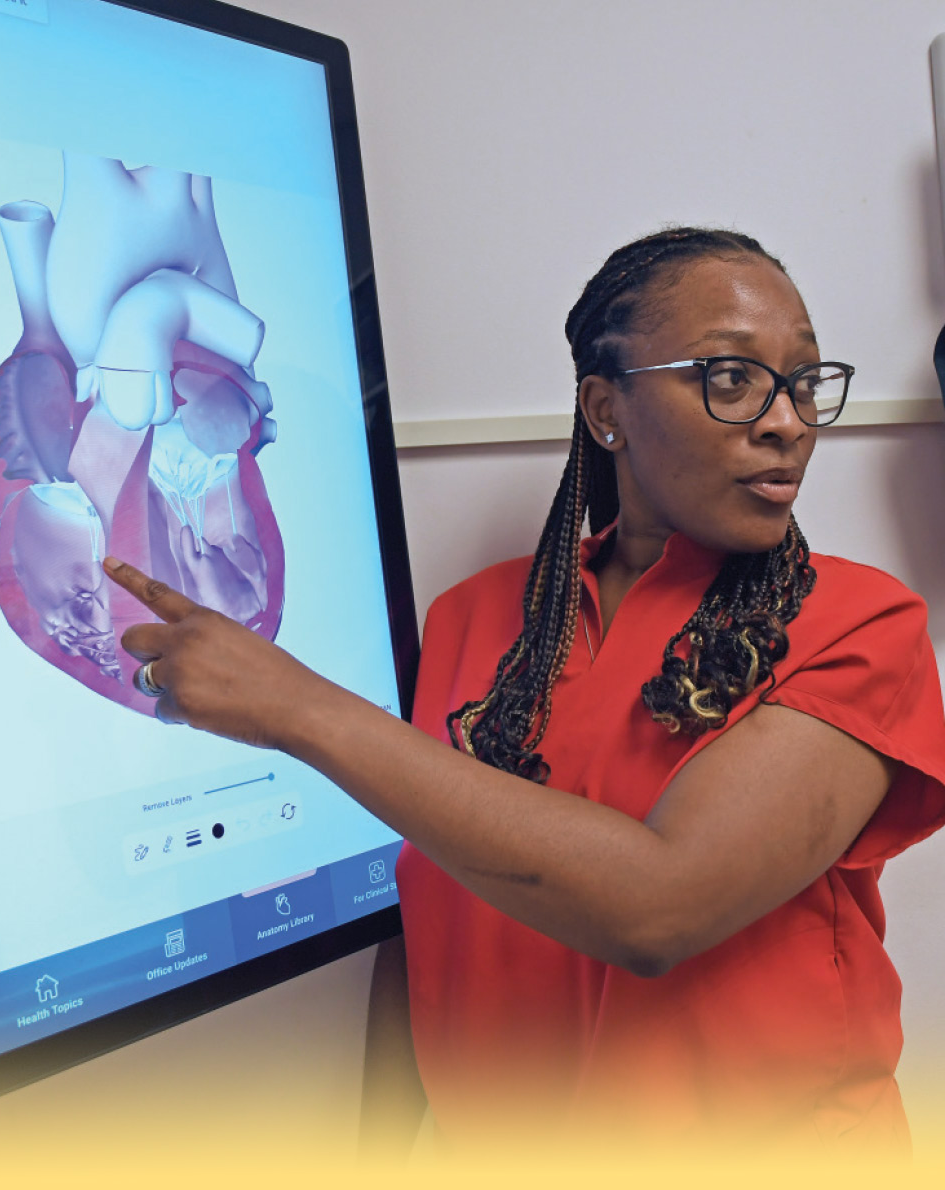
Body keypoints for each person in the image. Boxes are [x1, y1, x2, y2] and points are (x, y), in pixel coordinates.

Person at [103, 227, 945, 1160]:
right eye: (731, 377)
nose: (787, 419)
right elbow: (426, 906)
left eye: (802, 380)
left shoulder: (863, 624)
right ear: (604, 409)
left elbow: (661, 907)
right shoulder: (474, 619)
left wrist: (301, 709)